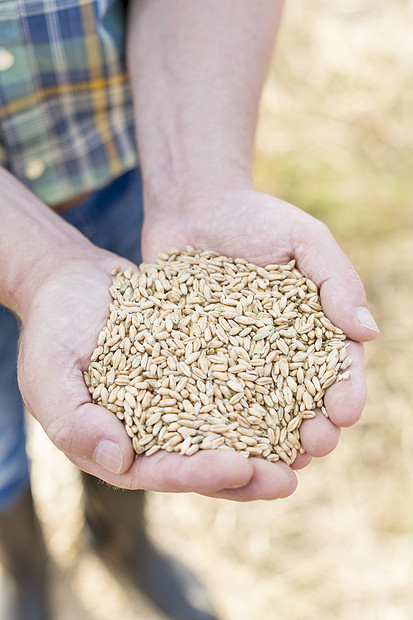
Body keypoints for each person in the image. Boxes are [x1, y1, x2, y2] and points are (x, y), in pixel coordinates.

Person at [0, 1, 379, 619]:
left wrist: (198, 178)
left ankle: (124, 545)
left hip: (139, 168)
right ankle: (25, 570)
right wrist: (31, 263)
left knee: (112, 429)